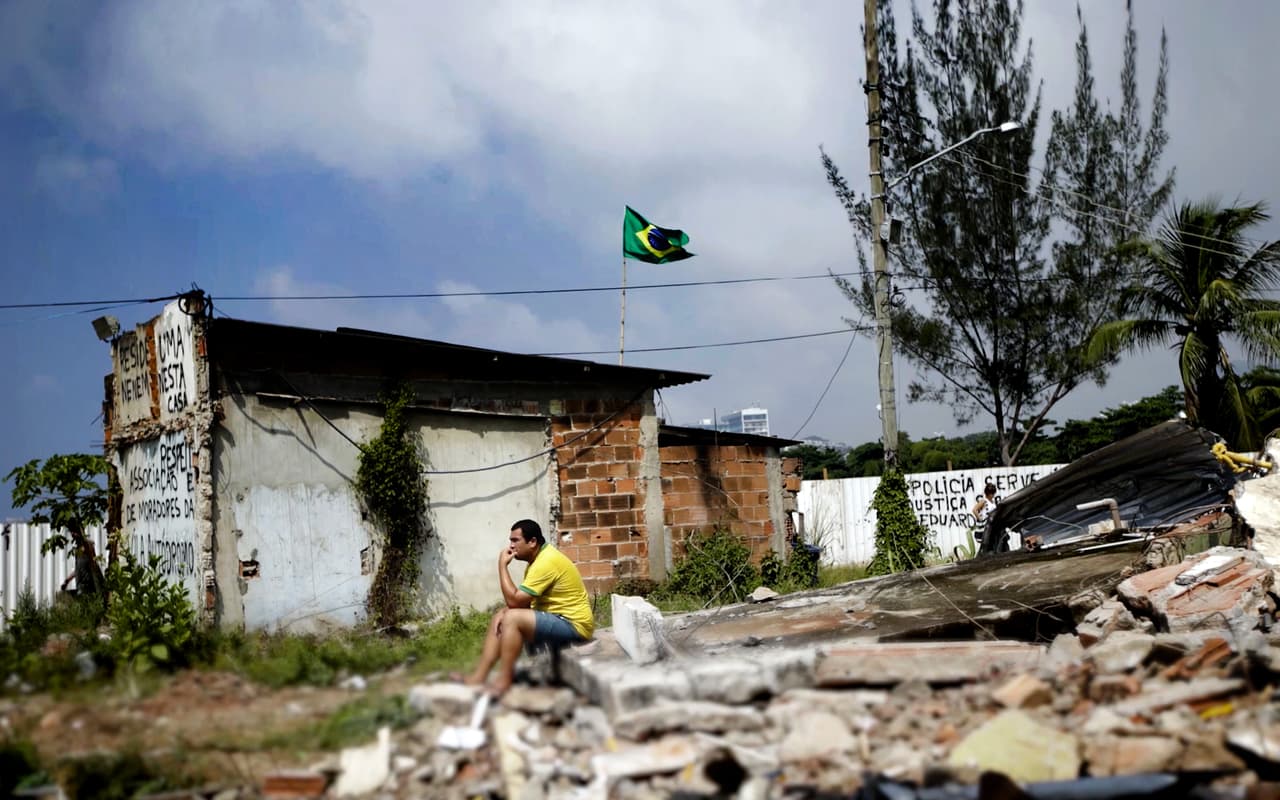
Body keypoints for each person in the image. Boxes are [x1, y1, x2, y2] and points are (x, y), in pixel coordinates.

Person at [464, 519, 593, 696]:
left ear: (532, 542)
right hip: (556, 617)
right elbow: (522, 603)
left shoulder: (546, 562)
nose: (511, 546)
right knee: (500, 615)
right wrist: (506, 611)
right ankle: (479, 677)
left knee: (511, 618)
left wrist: (502, 566)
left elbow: (515, 602)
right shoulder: (537, 560)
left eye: (515, 540)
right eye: (510, 540)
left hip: (573, 625)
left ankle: (504, 681)